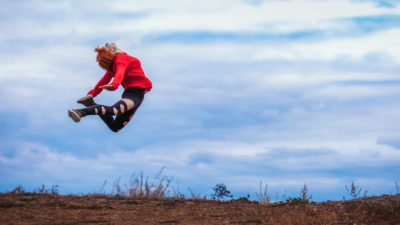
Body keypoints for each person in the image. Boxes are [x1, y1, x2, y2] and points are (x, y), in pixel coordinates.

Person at [68, 42, 152, 132]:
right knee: (114, 110)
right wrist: (114, 84)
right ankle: (81, 112)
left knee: (115, 127)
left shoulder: (114, 65)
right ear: (113, 51)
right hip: (134, 93)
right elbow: (120, 71)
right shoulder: (121, 59)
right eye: (107, 46)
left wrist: (92, 93)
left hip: (136, 95)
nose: (108, 43)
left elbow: (104, 80)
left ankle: (90, 103)